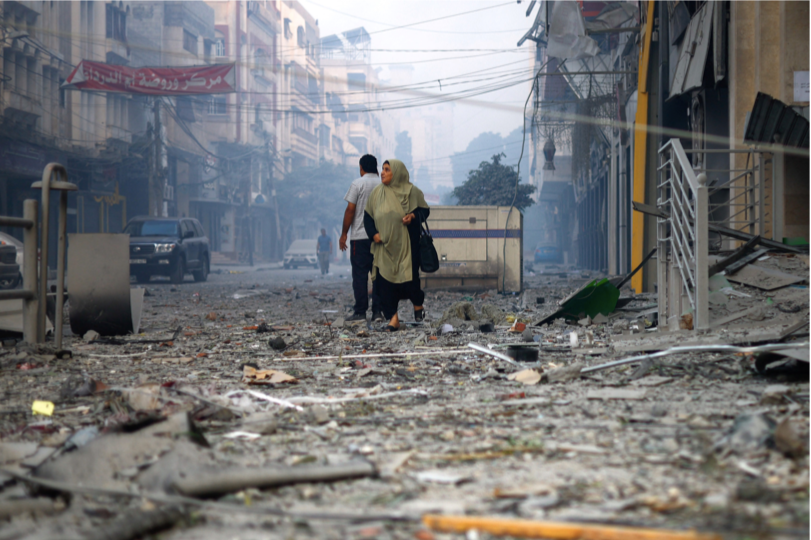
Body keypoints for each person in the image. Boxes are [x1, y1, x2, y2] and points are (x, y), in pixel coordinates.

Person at [363, 159, 429, 332]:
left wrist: (413, 216)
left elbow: (424, 210)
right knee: (385, 285)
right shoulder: (377, 193)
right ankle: (393, 319)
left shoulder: (412, 191)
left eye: (387, 169)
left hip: (407, 247)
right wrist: (373, 234)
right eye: (382, 169)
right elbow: (368, 217)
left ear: (397, 173)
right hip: (384, 248)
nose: (382, 173)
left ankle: (417, 305)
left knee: (410, 282)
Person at [340, 155, 383, 322]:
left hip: (359, 237)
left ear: (361, 168)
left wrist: (344, 233)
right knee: (378, 275)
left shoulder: (357, 184)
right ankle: (378, 311)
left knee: (360, 276)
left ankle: (360, 312)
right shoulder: (383, 185)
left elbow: (350, 210)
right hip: (379, 238)